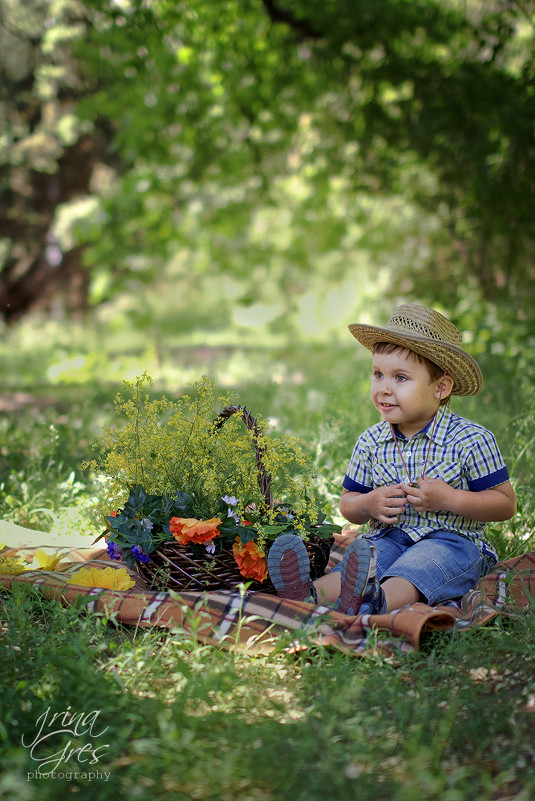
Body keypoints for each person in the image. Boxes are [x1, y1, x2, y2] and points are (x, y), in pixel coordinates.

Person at [267, 303, 517, 615]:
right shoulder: (371, 441)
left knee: (419, 566)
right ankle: (310, 593)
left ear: (441, 387)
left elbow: (505, 504)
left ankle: (378, 601)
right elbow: (348, 503)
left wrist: (450, 498)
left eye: (400, 378)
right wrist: (368, 504)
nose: (384, 388)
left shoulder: (471, 439)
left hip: (452, 543)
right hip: (388, 536)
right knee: (368, 557)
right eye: (378, 374)